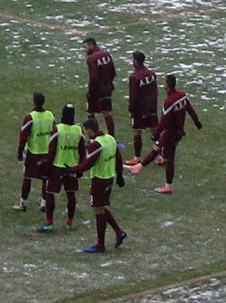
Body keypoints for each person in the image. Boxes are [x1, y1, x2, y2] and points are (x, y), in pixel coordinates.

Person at [134, 74, 202, 193]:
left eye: (165, 83)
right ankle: (140, 167)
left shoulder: (169, 102)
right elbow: (190, 109)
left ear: (168, 85)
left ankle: (168, 186)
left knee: (168, 157)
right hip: (178, 132)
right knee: (157, 148)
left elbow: (164, 121)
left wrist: (156, 133)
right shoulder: (182, 96)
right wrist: (197, 122)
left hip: (171, 133)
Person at [82, 122, 129, 253]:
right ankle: (119, 232)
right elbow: (118, 158)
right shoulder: (110, 139)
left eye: (86, 130)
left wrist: (72, 170)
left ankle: (100, 244)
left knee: (98, 210)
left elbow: (87, 164)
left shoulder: (96, 144)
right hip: (109, 178)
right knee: (101, 207)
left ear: (90, 130)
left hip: (99, 179)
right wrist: (119, 175)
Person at [16, 91, 57, 212]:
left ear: (34, 101)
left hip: (34, 152)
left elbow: (23, 136)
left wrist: (19, 151)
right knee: (46, 179)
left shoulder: (30, 117)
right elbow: (55, 132)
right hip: (47, 152)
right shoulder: (50, 115)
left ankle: (23, 203)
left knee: (27, 178)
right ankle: (44, 203)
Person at [47, 103, 85, 232]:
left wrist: (48, 167)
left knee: (50, 193)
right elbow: (82, 152)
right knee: (71, 194)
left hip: (57, 166)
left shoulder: (57, 129)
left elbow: (51, 150)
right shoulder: (78, 130)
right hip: (72, 167)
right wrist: (80, 167)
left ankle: (49, 221)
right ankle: (69, 221)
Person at [84, 34, 118, 136]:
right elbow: (113, 72)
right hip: (107, 88)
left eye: (85, 47)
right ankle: (112, 137)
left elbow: (93, 78)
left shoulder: (91, 58)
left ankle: (94, 136)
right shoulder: (106, 54)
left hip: (97, 90)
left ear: (91, 45)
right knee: (107, 113)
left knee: (90, 113)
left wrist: (91, 92)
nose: (85, 50)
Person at [128, 50, 160, 145]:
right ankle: (162, 153)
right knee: (154, 128)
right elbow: (155, 91)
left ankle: (136, 157)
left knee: (137, 131)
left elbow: (134, 96)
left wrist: (131, 109)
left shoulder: (134, 77)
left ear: (136, 61)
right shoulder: (151, 74)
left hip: (140, 108)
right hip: (152, 106)